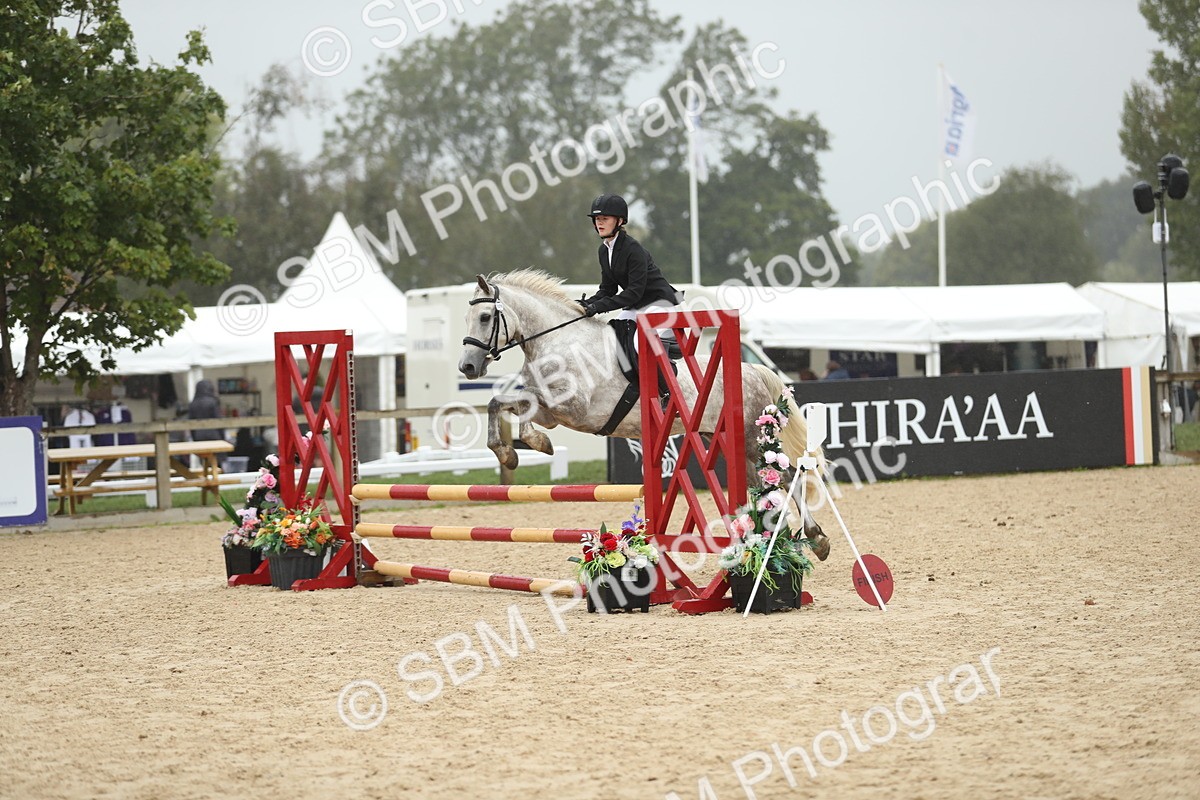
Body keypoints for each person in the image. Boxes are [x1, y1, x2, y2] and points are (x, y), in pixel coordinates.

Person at [579, 193, 683, 358]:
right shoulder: (604, 251)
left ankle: (663, 375)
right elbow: (607, 290)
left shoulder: (633, 249)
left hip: (659, 304)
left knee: (637, 343)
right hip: (638, 306)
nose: (599, 223)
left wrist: (598, 307)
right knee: (611, 338)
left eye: (605, 218)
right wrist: (585, 304)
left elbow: (634, 292)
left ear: (619, 221)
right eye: (597, 219)